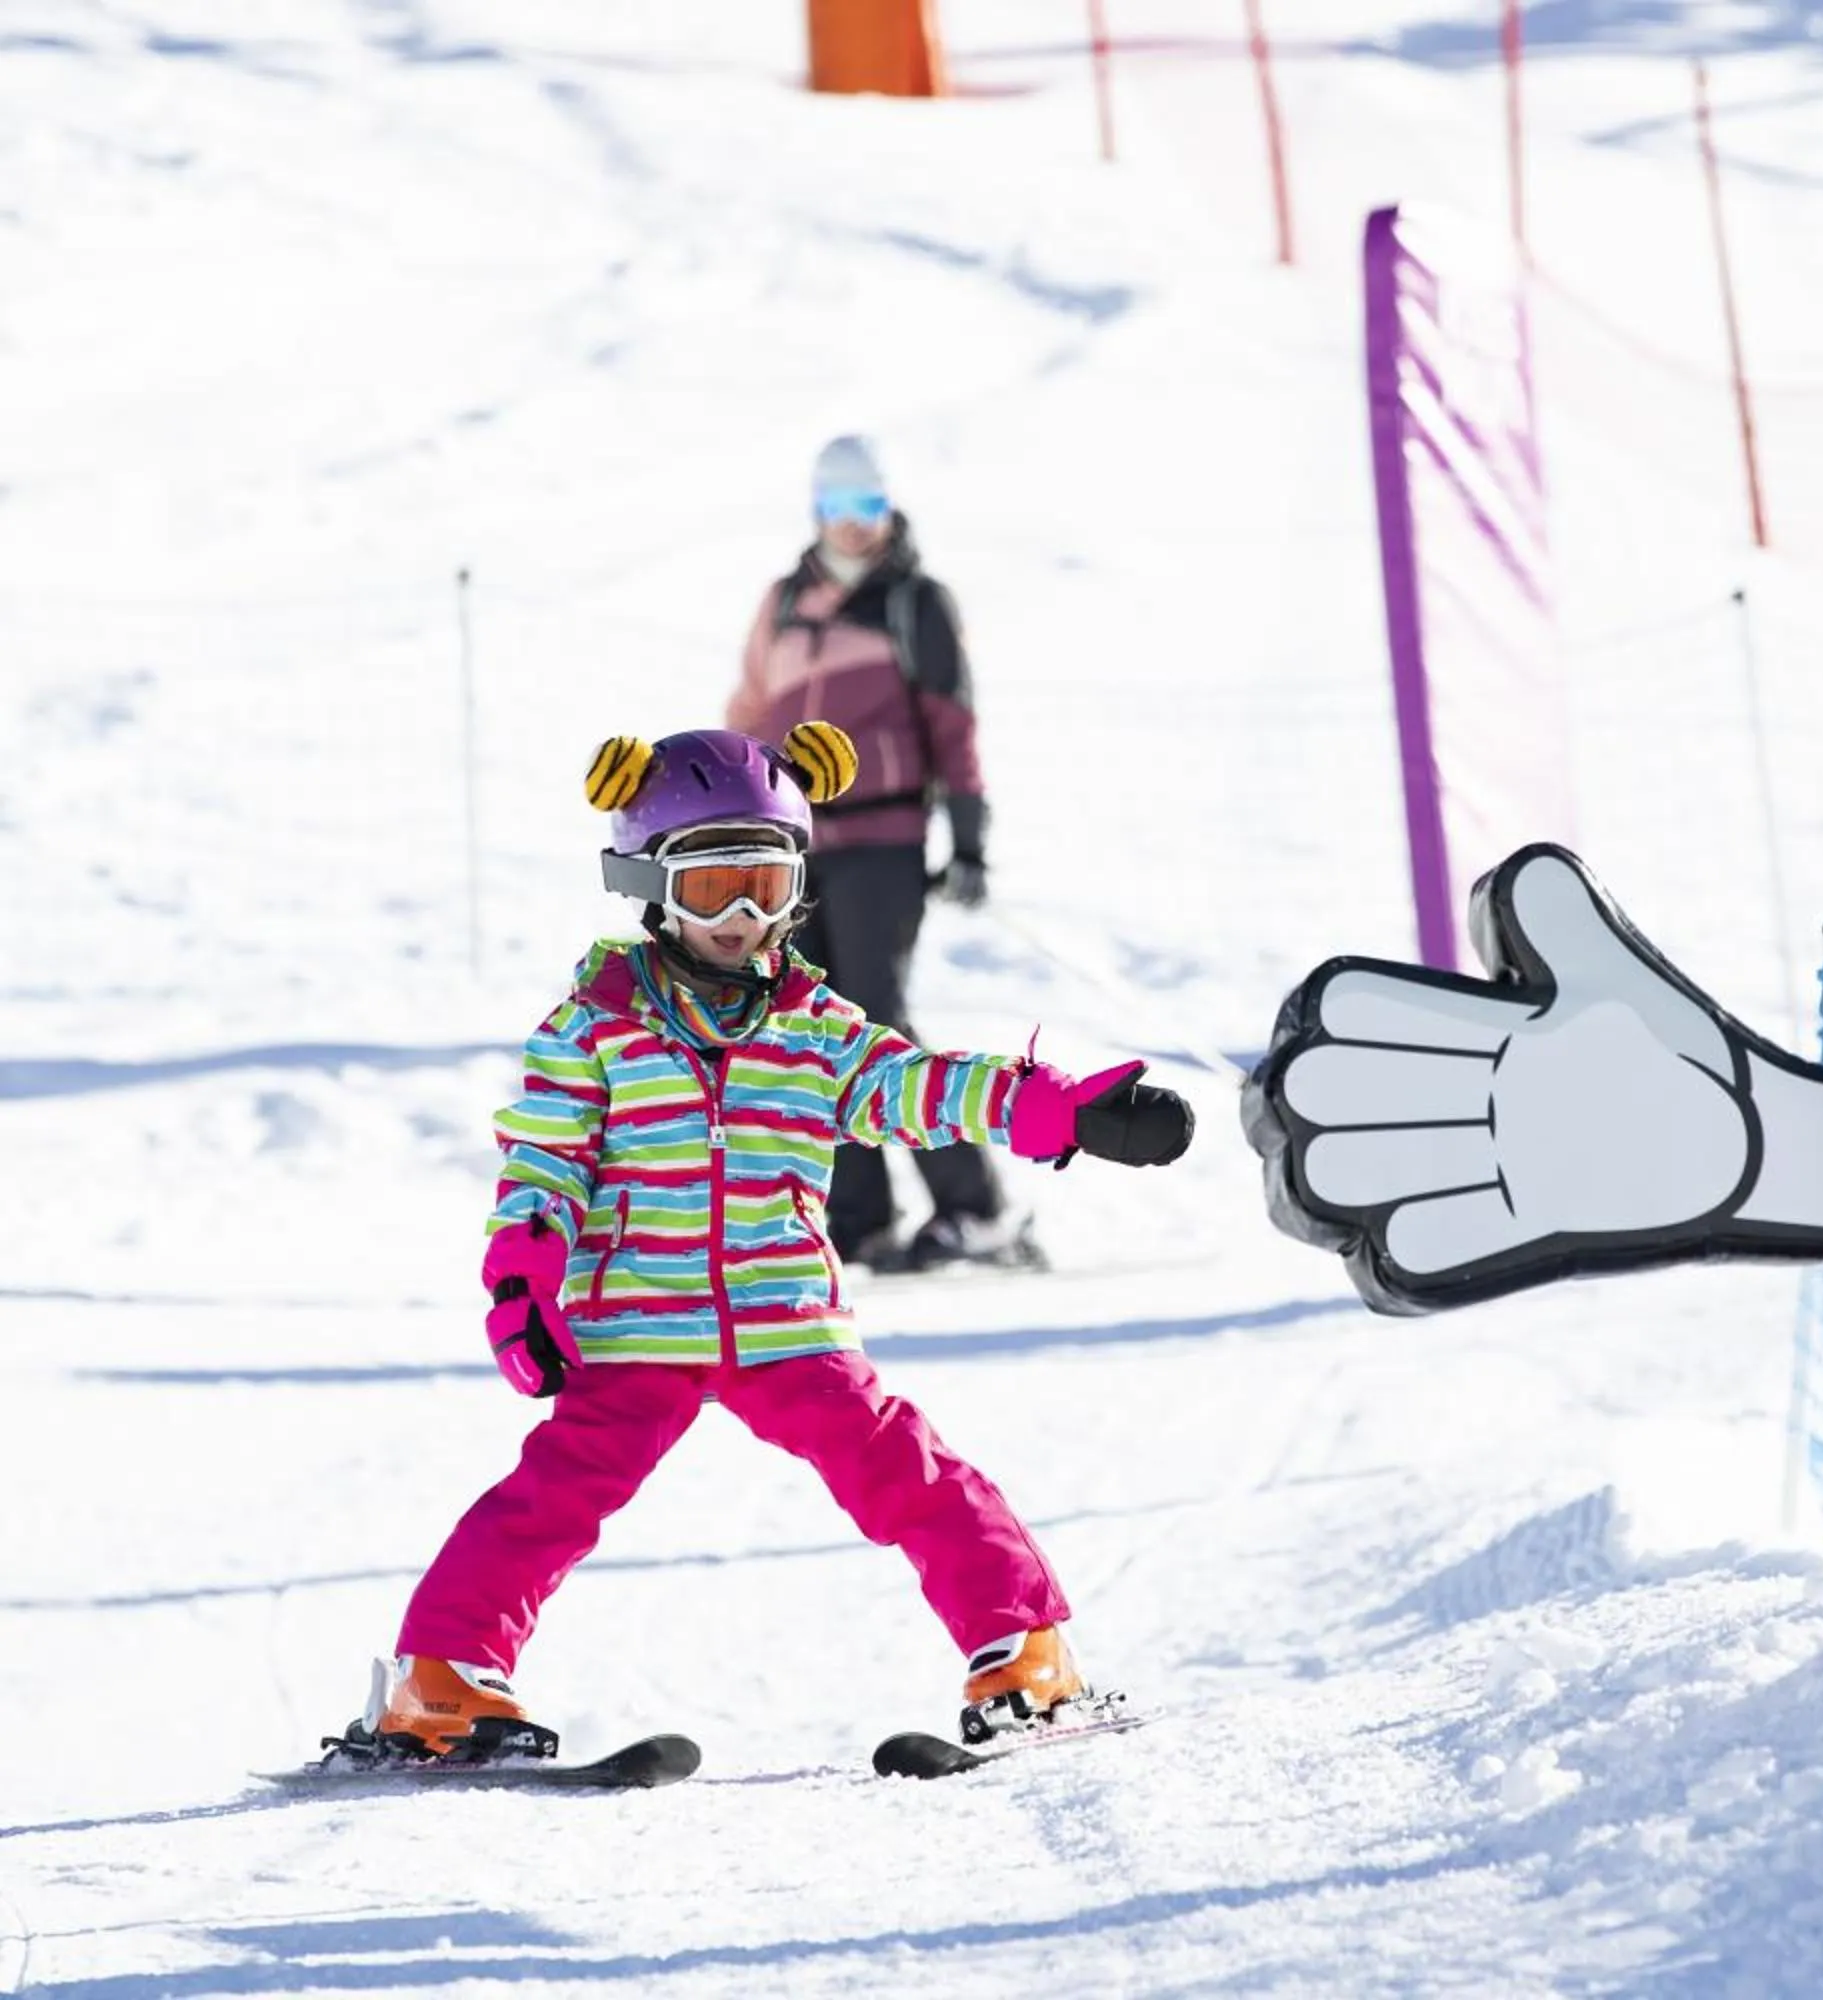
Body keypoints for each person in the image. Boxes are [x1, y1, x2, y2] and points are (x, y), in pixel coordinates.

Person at [323, 723, 1194, 1768]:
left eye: (767, 883)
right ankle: (440, 1683)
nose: (742, 916)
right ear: (650, 884)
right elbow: (544, 1163)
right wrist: (524, 1277)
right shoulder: (593, 1027)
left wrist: (1050, 1108)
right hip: (638, 1323)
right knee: (548, 1498)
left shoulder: (816, 1025)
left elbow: (915, 1085)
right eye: (710, 887)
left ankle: (1027, 1662)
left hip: (787, 1321)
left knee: (914, 1475)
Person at [727, 435, 1008, 1272]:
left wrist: (968, 839)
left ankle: (976, 1208)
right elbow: (749, 710)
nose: (855, 526)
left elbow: (952, 724)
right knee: (809, 1026)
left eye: (870, 507)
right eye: (840, 508)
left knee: (876, 1018)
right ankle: (860, 1216)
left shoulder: (914, 603)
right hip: (796, 843)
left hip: (883, 842)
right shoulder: (784, 603)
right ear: (817, 511)